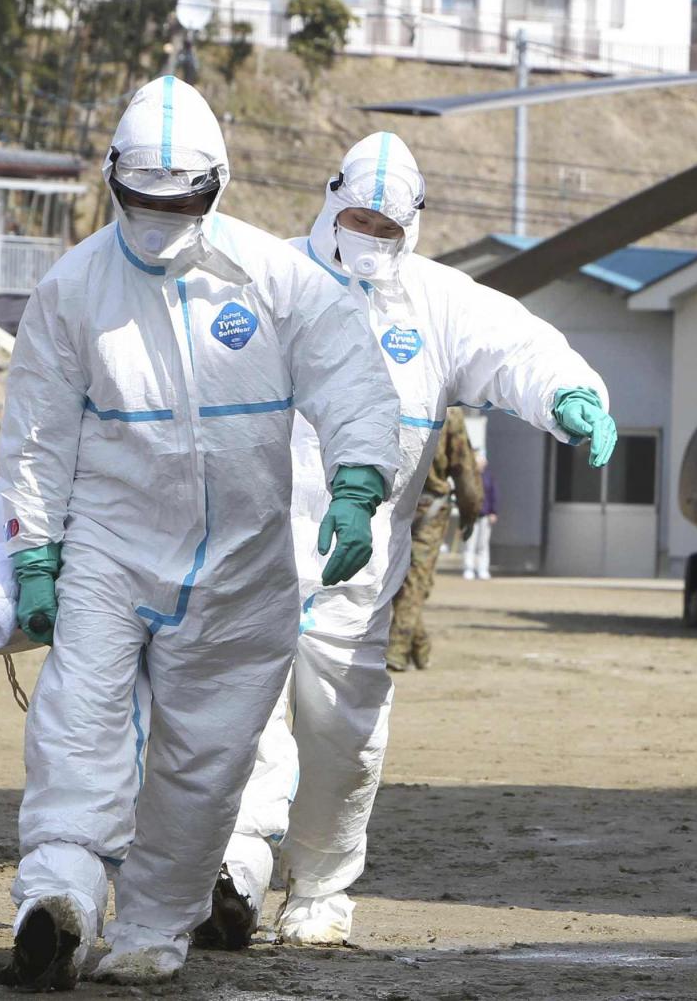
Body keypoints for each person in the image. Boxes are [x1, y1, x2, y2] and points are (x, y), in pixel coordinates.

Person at [0, 77, 400, 990]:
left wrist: (358, 481)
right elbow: (35, 435)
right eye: (143, 201)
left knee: (205, 765)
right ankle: (55, 902)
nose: (160, 218)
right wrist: (34, 549)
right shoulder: (73, 292)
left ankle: (149, 931)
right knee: (76, 726)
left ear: (218, 186)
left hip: (243, 567)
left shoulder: (281, 280)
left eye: (182, 202)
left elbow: (351, 378)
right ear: (114, 184)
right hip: (109, 550)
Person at [211, 131, 617, 950]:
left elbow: (517, 348)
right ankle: (234, 872)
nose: (369, 235)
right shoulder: (261, 276)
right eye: (358, 216)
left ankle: (320, 892)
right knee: (234, 725)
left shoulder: (438, 304)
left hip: (357, 576)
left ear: (414, 227)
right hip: (244, 556)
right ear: (330, 199)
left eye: (387, 227)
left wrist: (571, 392)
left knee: (345, 741)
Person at [386, 409, 482, 672]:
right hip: (426, 505)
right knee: (413, 579)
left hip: (394, 502)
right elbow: (464, 465)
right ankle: (406, 647)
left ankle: (408, 646)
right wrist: (470, 510)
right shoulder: (450, 412)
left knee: (405, 578)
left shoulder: (390, 395)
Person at [460, 453, 499, 581]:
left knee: (483, 544)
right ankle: (468, 568)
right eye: (478, 462)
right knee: (470, 543)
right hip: (471, 515)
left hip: (485, 515)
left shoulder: (489, 477)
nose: (480, 464)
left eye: (482, 462)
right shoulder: (469, 476)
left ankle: (483, 569)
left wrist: (493, 512)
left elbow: (493, 495)